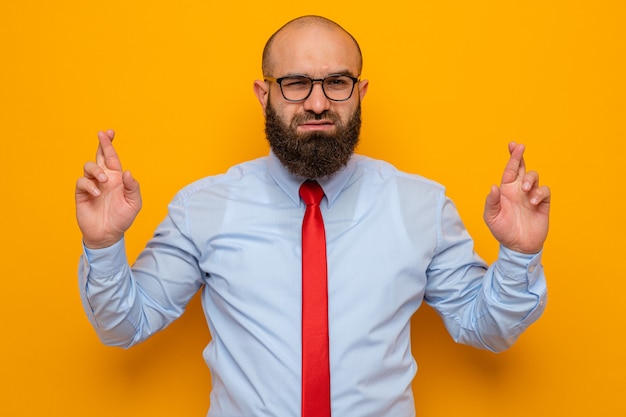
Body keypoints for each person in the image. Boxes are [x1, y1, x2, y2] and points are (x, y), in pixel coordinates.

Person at [75, 15, 550, 417]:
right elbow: (125, 325)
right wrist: (102, 245)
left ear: (360, 91)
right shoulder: (204, 208)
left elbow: (485, 327)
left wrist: (518, 255)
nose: (318, 103)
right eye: (296, 83)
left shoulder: (420, 206)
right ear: (264, 94)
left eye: (337, 83)